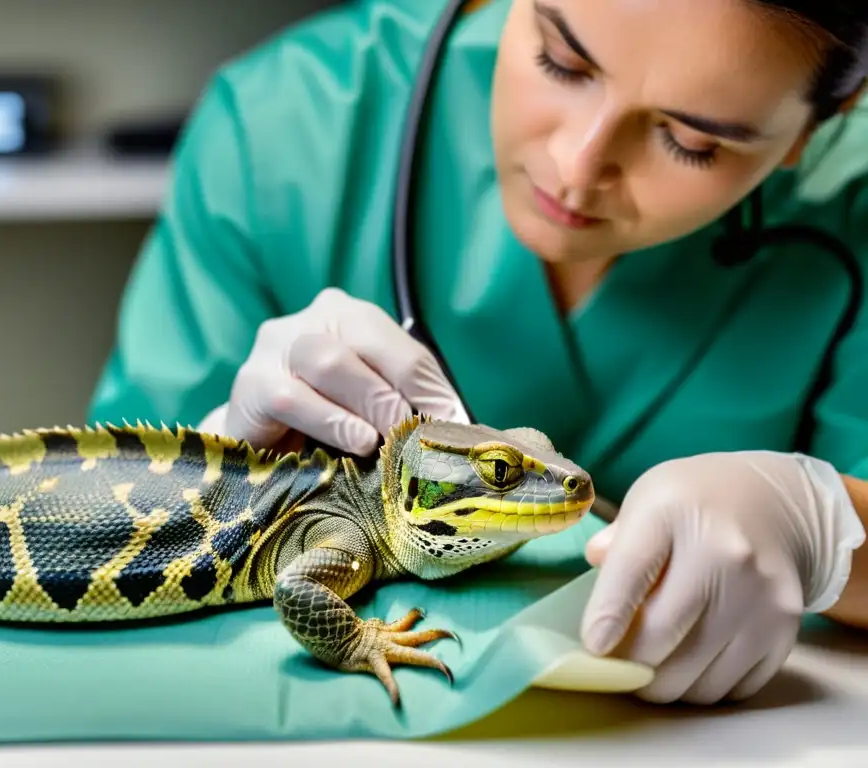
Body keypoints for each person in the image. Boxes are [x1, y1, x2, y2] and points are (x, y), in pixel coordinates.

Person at [87, 0, 868, 706]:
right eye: (561, 61)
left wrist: (823, 527)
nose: (577, 164)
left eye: (691, 140)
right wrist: (220, 444)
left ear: (825, 119)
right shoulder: (285, 121)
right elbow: (85, 525)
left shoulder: (856, 195)